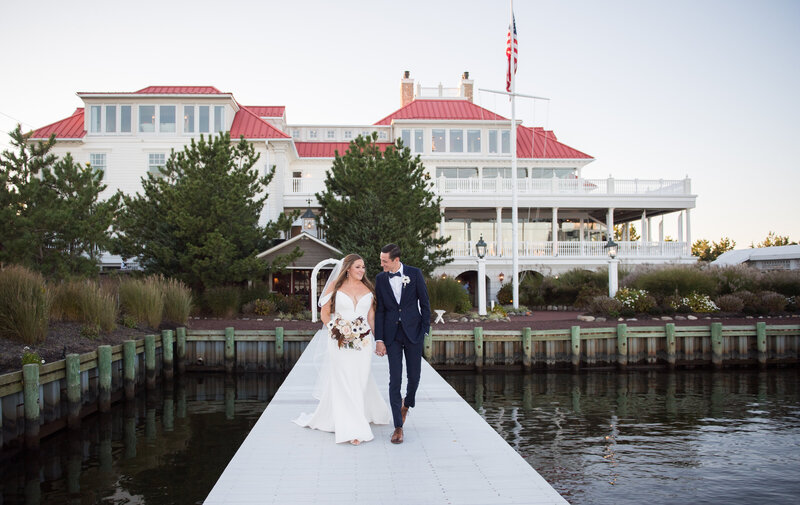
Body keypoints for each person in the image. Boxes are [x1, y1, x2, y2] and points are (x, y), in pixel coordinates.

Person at [293, 254, 392, 444]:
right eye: (358, 267)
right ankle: (353, 429)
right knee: (344, 381)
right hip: (338, 342)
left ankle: (354, 414)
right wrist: (337, 331)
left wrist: (379, 340)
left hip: (362, 343)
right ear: (347, 269)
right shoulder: (335, 288)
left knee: (360, 380)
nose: (362, 270)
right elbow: (325, 314)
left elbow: (371, 318)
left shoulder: (369, 289)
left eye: (363, 267)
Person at [374, 244, 431, 444]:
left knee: (414, 376)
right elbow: (380, 310)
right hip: (392, 336)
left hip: (414, 333)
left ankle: (407, 403)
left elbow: (425, 303)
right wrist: (379, 339)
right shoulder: (380, 279)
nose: (381, 264)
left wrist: (425, 329)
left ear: (396, 260)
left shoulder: (415, 274)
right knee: (395, 379)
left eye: (384, 261)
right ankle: (398, 426)